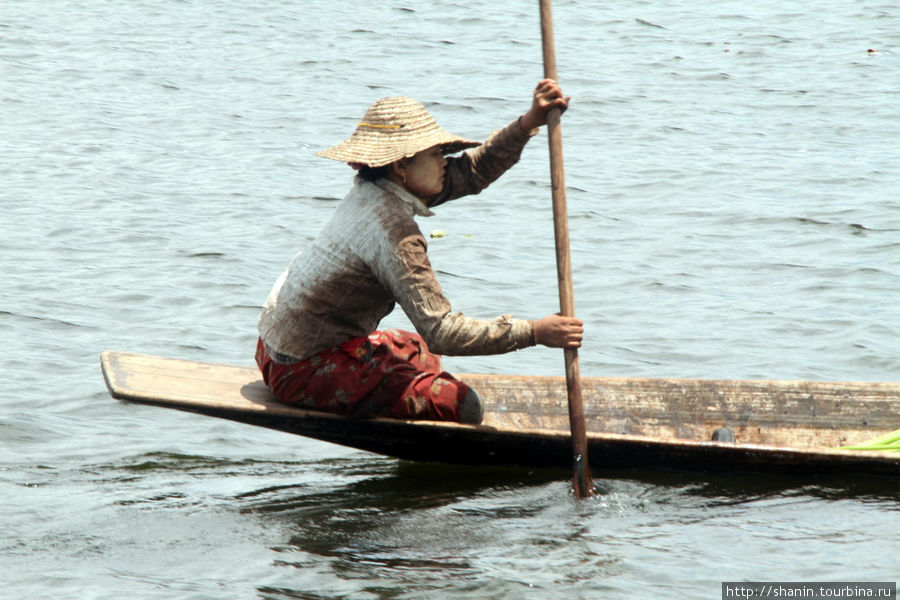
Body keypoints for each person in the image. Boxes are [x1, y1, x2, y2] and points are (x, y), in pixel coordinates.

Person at [256, 79, 584, 425]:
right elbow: (441, 331)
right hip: (299, 370)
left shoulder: (378, 187)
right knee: (462, 404)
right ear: (401, 166)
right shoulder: (394, 232)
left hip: (275, 347)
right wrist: (533, 332)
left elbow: (473, 172)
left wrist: (529, 121)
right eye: (435, 155)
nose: (445, 162)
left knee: (417, 351)